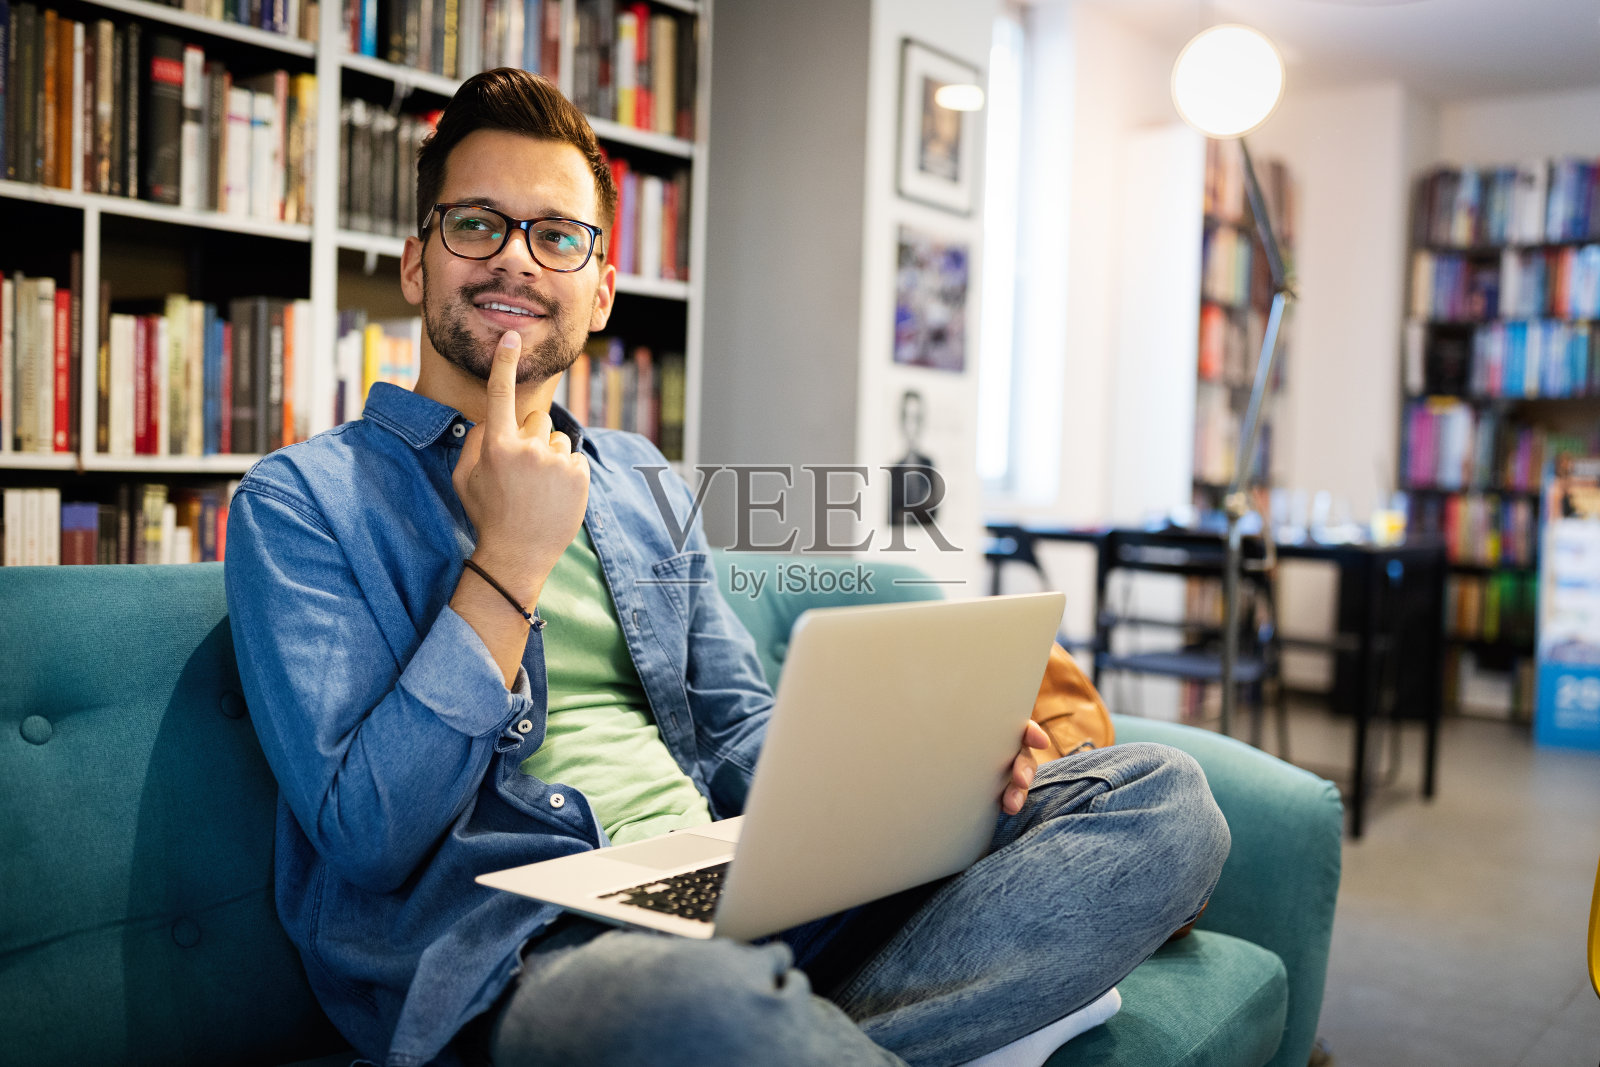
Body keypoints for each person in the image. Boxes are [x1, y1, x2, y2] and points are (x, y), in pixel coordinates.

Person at [224, 68, 1230, 1067]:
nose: (515, 260)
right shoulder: (302, 500)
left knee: (1158, 795)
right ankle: (862, 1024)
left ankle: (803, 1029)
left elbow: (737, 727)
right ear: (416, 264)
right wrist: (509, 559)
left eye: (556, 235)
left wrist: (918, 789)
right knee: (701, 1003)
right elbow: (367, 832)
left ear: (602, 287)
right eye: (475, 224)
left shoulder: (639, 478)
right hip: (526, 952)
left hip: (736, 886)